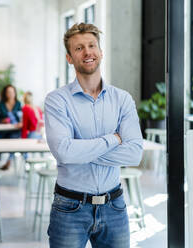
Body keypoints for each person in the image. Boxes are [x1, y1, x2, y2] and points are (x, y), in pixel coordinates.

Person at [44, 23, 143, 248]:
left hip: (114, 207)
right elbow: (64, 152)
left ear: (100, 52)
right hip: (70, 207)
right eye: (79, 48)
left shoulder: (123, 99)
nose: (87, 52)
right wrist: (114, 140)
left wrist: (79, 150)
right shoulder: (57, 100)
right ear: (70, 58)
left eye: (91, 45)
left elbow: (134, 155)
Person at [0, 84, 22, 170]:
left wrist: (20, 123)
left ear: (15, 93)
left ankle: (9, 161)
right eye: (8, 92)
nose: (11, 94)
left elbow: (21, 118)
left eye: (12, 92)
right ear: (5, 93)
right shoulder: (1, 104)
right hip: (3, 131)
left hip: (14, 131)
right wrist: (3, 121)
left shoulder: (18, 103)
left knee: (14, 141)